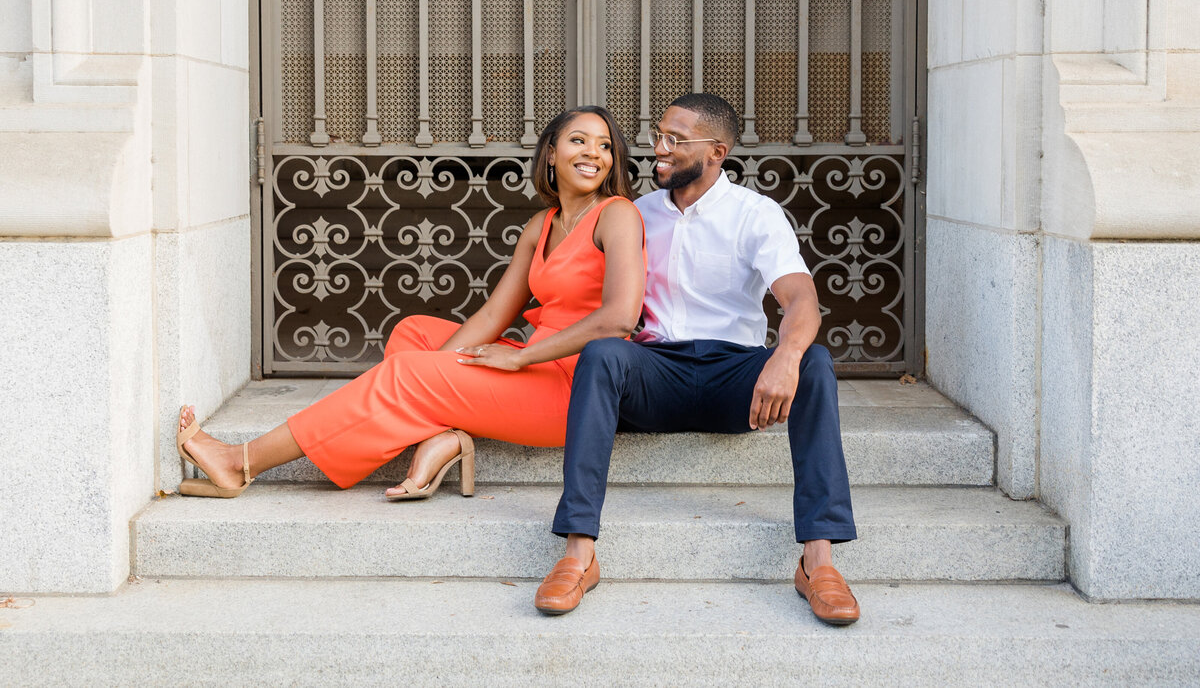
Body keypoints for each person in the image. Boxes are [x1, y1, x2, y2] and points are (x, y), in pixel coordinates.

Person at [176, 106, 646, 501]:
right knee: (415, 333)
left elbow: (619, 318)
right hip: (538, 367)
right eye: (579, 140)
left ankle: (241, 462)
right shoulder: (542, 225)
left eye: (605, 146)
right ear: (550, 153)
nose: (594, 154)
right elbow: (492, 316)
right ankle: (440, 434)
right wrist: (440, 373)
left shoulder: (618, 215)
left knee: (407, 374)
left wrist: (517, 356)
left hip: (575, 390)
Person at [533, 93, 859, 625]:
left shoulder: (754, 214)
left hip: (736, 380)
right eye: (659, 134)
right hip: (657, 375)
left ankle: (818, 562)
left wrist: (786, 355)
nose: (658, 148)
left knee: (816, 363)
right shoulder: (636, 214)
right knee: (603, 355)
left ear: (717, 151)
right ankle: (577, 553)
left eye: (675, 140)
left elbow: (802, 299)